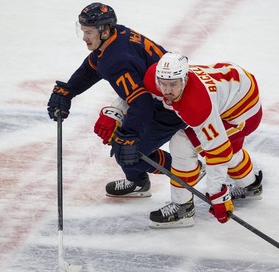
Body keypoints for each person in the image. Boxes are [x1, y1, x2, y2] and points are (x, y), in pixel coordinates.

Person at [47, 3, 187, 197]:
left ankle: (188, 169)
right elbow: (93, 65)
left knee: (130, 152)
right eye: (83, 31)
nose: (84, 38)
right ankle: (138, 183)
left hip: (172, 106)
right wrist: (69, 90)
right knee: (122, 145)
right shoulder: (118, 34)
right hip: (163, 96)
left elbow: (142, 102)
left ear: (104, 31)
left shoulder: (117, 60)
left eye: (88, 32)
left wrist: (129, 135)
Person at [143, 53, 263, 228]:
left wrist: (218, 196)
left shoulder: (197, 104)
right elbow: (135, 96)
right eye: (163, 83)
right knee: (231, 150)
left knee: (182, 143)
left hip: (243, 112)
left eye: (173, 84)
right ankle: (251, 185)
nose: (167, 90)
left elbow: (218, 151)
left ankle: (182, 208)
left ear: (184, 79)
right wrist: (115, 113)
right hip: (235, 87)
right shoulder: (154, 78)